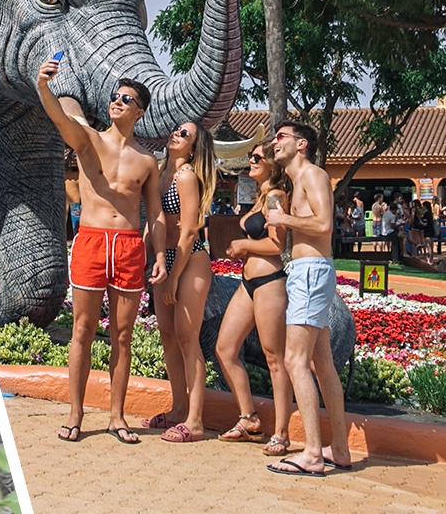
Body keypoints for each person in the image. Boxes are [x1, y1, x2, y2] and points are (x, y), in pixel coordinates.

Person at [36, 62, 164, 445]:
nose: (117, 103)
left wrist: (158, 254)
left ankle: (116, 416)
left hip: (127, 247)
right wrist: (44, 85)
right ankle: (75, 415)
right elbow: (59, 117)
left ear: (139, 111)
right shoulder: (89, 138)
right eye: (114, 97)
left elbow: (154, 212)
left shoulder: (146, 160)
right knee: (81, 331)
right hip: (92, 241)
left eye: (126, 99)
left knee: (123, 336)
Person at [264, 121, 351, 477]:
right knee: (322, 362)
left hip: (311, 270)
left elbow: (325, 225)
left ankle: (313, 454)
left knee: (294, 360)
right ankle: (340, 449)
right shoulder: (297, 180)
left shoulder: (313, 174)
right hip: (311, 270)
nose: (274, 142)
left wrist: (283, 217)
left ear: (301, 144)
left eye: (281, 137)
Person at [215, 140, 295, 457]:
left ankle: (282, 433)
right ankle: (248, 418)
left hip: (270, 283)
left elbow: (278, 245)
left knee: (275, 359)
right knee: (225, 348)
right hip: (248, 283)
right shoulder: (260, 196)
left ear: (274, 165)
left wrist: (244, 247)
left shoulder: (276, 196)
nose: (251, 160)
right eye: (251, 156)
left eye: (257, 157)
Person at [143, 119, 217, 442]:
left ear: (193, 146)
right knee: (168, 336)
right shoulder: (160, 174)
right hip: (166, 260)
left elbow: (189, 231)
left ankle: (195, 420)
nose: (176, 134)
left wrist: (173, 277)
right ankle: (178, 407)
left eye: (184, 134)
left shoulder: (186, 176)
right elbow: (154, 222)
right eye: (176, 129)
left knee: (188, 337)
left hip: (190, 260)